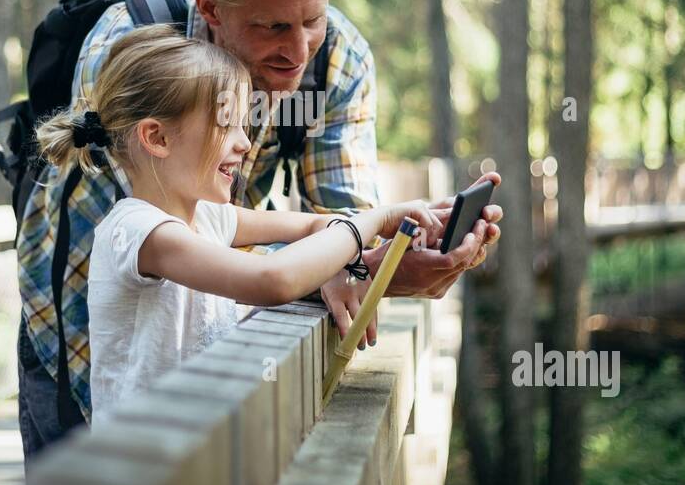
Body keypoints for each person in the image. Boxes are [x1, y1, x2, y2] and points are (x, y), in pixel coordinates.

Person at [17, 0, 502, 467]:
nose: (297, 51)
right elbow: (203, 257)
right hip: (75, 345)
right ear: (210, 6)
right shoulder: (131, 51)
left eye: (312, 19)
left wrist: (383, 261)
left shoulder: (338, 58)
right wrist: (356, 245)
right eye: (272, 27)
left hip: (203, 388)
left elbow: (327, 223)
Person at [35, 25, 438, 419]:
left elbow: (313, 226)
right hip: (144, 473)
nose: (244, 143)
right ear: (157, 138)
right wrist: (371, 222)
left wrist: (347, 257)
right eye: (226, 124)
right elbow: (272, 280)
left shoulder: (209, 218)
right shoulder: (140, 233)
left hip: (202, 457)